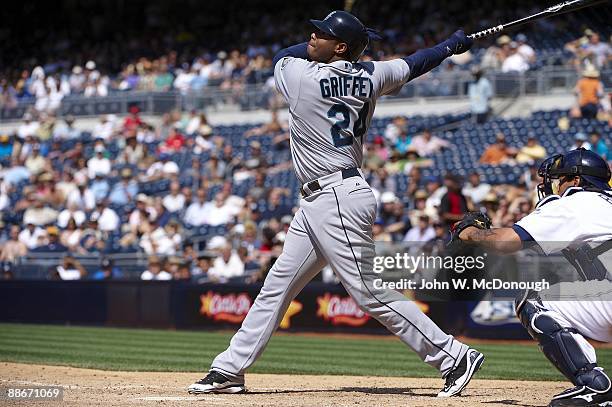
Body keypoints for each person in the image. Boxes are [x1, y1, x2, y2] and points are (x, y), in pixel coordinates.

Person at [188, 10, 482, 398]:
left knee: (368, 291)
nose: (311, 36)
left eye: (321, 34)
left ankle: (452, 355)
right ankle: (229, 369)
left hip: (337, 197)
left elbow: (281, 54)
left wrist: (334, 50)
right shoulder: (372, 75)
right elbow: (415, 63)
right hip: (323, 199)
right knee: (276, 286)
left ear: (340, 46)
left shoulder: (303, 76)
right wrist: (450, 47)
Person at [454, 148, 612, 406]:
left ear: (575, 180)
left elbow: (507, 242)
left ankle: (593, 385)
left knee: (532, 300)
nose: (554, 185)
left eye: (559, 178)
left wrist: (469, 233)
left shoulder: (576, 203)